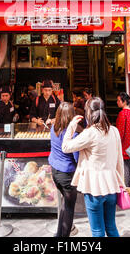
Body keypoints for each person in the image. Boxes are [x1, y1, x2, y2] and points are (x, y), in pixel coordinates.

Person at [62, 97, 125, 237]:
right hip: (111, 187)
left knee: (97, 231)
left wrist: (72, 126)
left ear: (88, 113)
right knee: (111, 227)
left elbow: (65, 147)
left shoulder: (89, 133)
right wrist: (121, 183)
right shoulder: (114, 130)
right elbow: (119, 160)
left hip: (94, 188)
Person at [48, 102, 79, 237]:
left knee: (65, 205)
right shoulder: (72, 134)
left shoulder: (53, 128)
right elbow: (76, 157)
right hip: (67, 174)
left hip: (55, 171)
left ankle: (58, 234)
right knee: (70, 208)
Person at [115, 92, 130, 188]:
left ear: (124, 102)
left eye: (119, 100)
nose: (117, 102)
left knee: (125, 171)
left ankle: (127, 192)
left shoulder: (122, 114)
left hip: (124, 147)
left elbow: (120, 133)